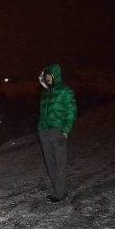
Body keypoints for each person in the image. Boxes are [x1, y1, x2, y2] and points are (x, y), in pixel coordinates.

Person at [37, 63, 77, 203]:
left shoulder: (66, 91)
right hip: (44, 132)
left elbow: (71, 112)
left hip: (58, 131)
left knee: (60, 163)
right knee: (50, 163)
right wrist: (40, 129)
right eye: (46, 76)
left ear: (56, 76)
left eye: (50, 76)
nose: (48, 78)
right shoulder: (45, 92)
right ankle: (58, 190)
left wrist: (66, 130)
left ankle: (59, 194)